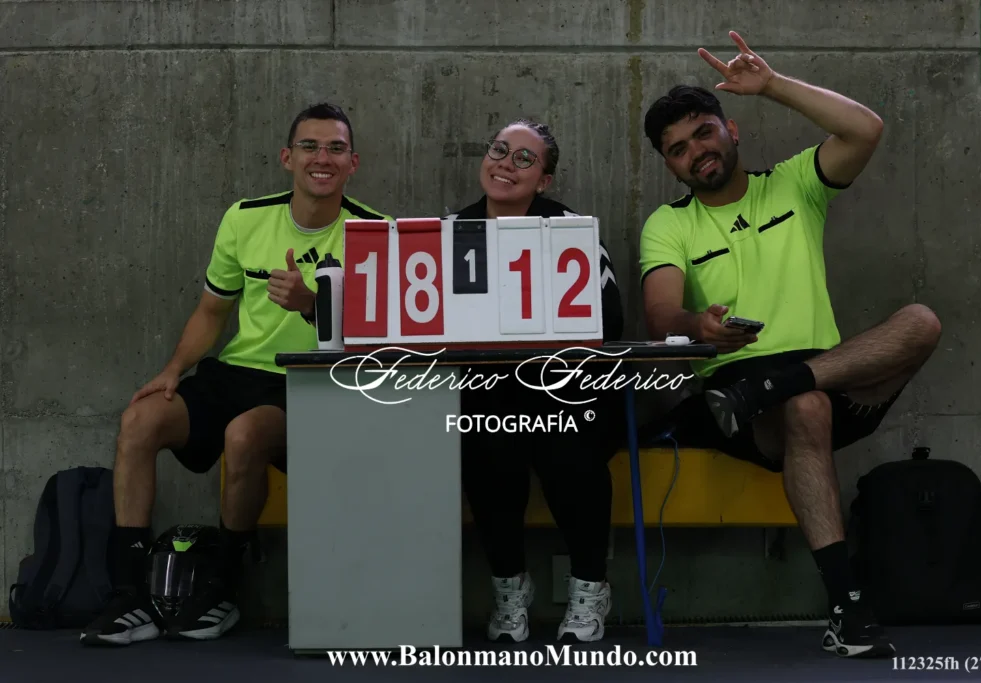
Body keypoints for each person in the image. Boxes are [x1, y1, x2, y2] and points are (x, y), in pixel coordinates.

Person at [638, 33, 941, 658]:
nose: (695, 152)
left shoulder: (794, 183)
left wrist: (773, 84)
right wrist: (699, 326)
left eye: (703, 133)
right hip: (740, 399)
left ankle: (782, 384)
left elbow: (865, 130)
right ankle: (847, 608)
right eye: (678, 149)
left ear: (731, 130)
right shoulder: (670, 224)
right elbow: (662, 314)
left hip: (829, 374)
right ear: (670, 166)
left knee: (921, 321)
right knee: (806, 405)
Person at [81, 103, 389, 646]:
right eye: (310, 146)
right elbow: (211, 311)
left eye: (336, 148)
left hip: (312, 384)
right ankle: (130, 596)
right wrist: (174, 369)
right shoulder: (244, 218)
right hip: (236, 372)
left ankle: (221, 587)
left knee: (243, 436)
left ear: (353, 163)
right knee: (139, 422)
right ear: (287, 157)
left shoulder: (376, 232)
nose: (322, 157)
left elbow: (381, 338)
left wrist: (312, 305)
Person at [451, 120, 625, 643]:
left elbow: (609, 320)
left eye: (524, 159)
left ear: (544, 180)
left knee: (568, 444)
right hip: (485, 391)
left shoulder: (572, 230)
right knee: (483, 445)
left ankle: (590, 586)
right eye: (499, 150)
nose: (506, 163)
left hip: (563, 387)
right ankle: (509, 588)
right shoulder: (449, 232)